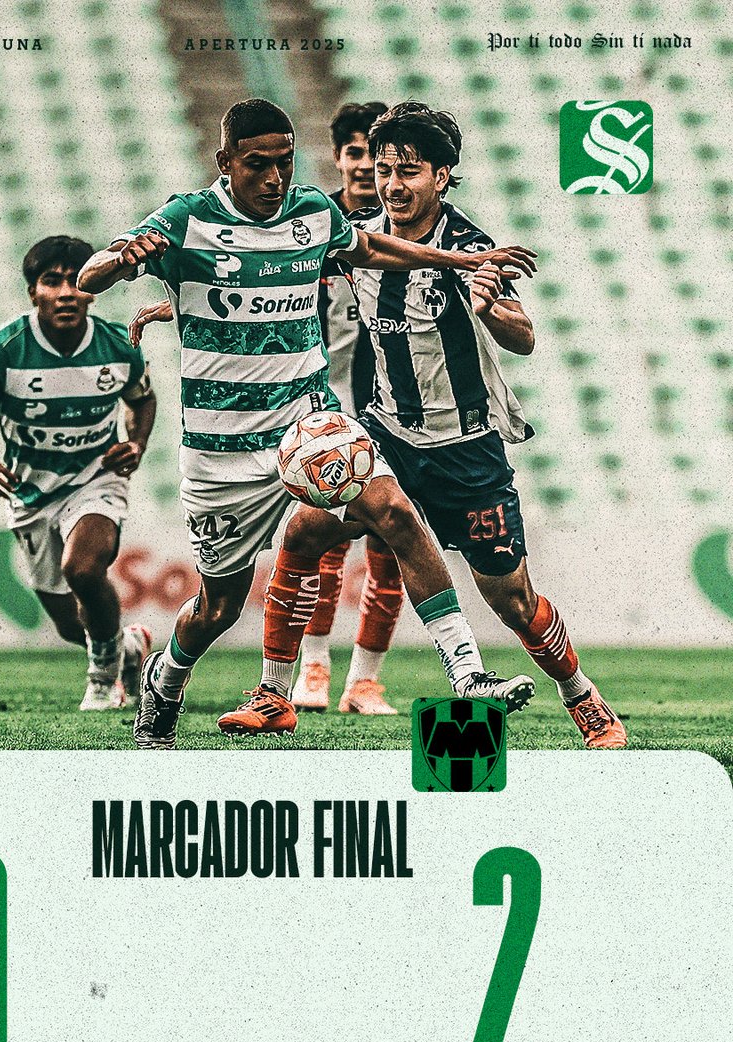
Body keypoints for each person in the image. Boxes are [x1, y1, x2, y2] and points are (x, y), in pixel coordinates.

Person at [78, 98, 538, 749]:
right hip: (220, 454)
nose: (274, 178)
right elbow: (91, 275)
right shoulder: (185, 219)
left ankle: (467, 674)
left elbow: (369, 248)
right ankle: (166, 676)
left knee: (396, 514)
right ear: (225, 162)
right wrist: (126, 258)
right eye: (257, 164)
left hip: (309, 431)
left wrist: (459, 262)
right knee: (218, 606)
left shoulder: (313, 212)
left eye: (285, 162)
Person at [228, 102, 626, 749]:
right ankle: (275, 694)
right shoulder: (359, 239)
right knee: (302, 533)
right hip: (386, 437)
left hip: (466, 452)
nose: (391, 184)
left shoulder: (469, 249)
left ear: (442, 176)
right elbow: (276, 272)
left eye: (408, 171)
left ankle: (582, 696)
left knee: (513, 600)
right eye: (385, 169)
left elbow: (523, 337)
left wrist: (492, 310)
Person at [0, 235, 155, 710]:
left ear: (92, 290)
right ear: (33, 292)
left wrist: (135, 442)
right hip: (31, 491)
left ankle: (103, 681)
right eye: (51, 282)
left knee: (83, 568)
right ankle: (128, 647)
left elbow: (142, 400)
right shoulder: (3, 349)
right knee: (67, 622)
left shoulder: (118, 345)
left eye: (76, 281)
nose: (66, 293)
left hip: (96, 478)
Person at [292, 100, 404, 717]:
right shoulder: (312, 226)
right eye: (354, 153)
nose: (365, 166)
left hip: (395, 412)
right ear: (337, 158)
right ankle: (313, 670)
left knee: (390, 548)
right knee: (326, 545)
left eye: (376, 155)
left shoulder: (410, 229)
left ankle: (365, 683)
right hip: (328, 410)